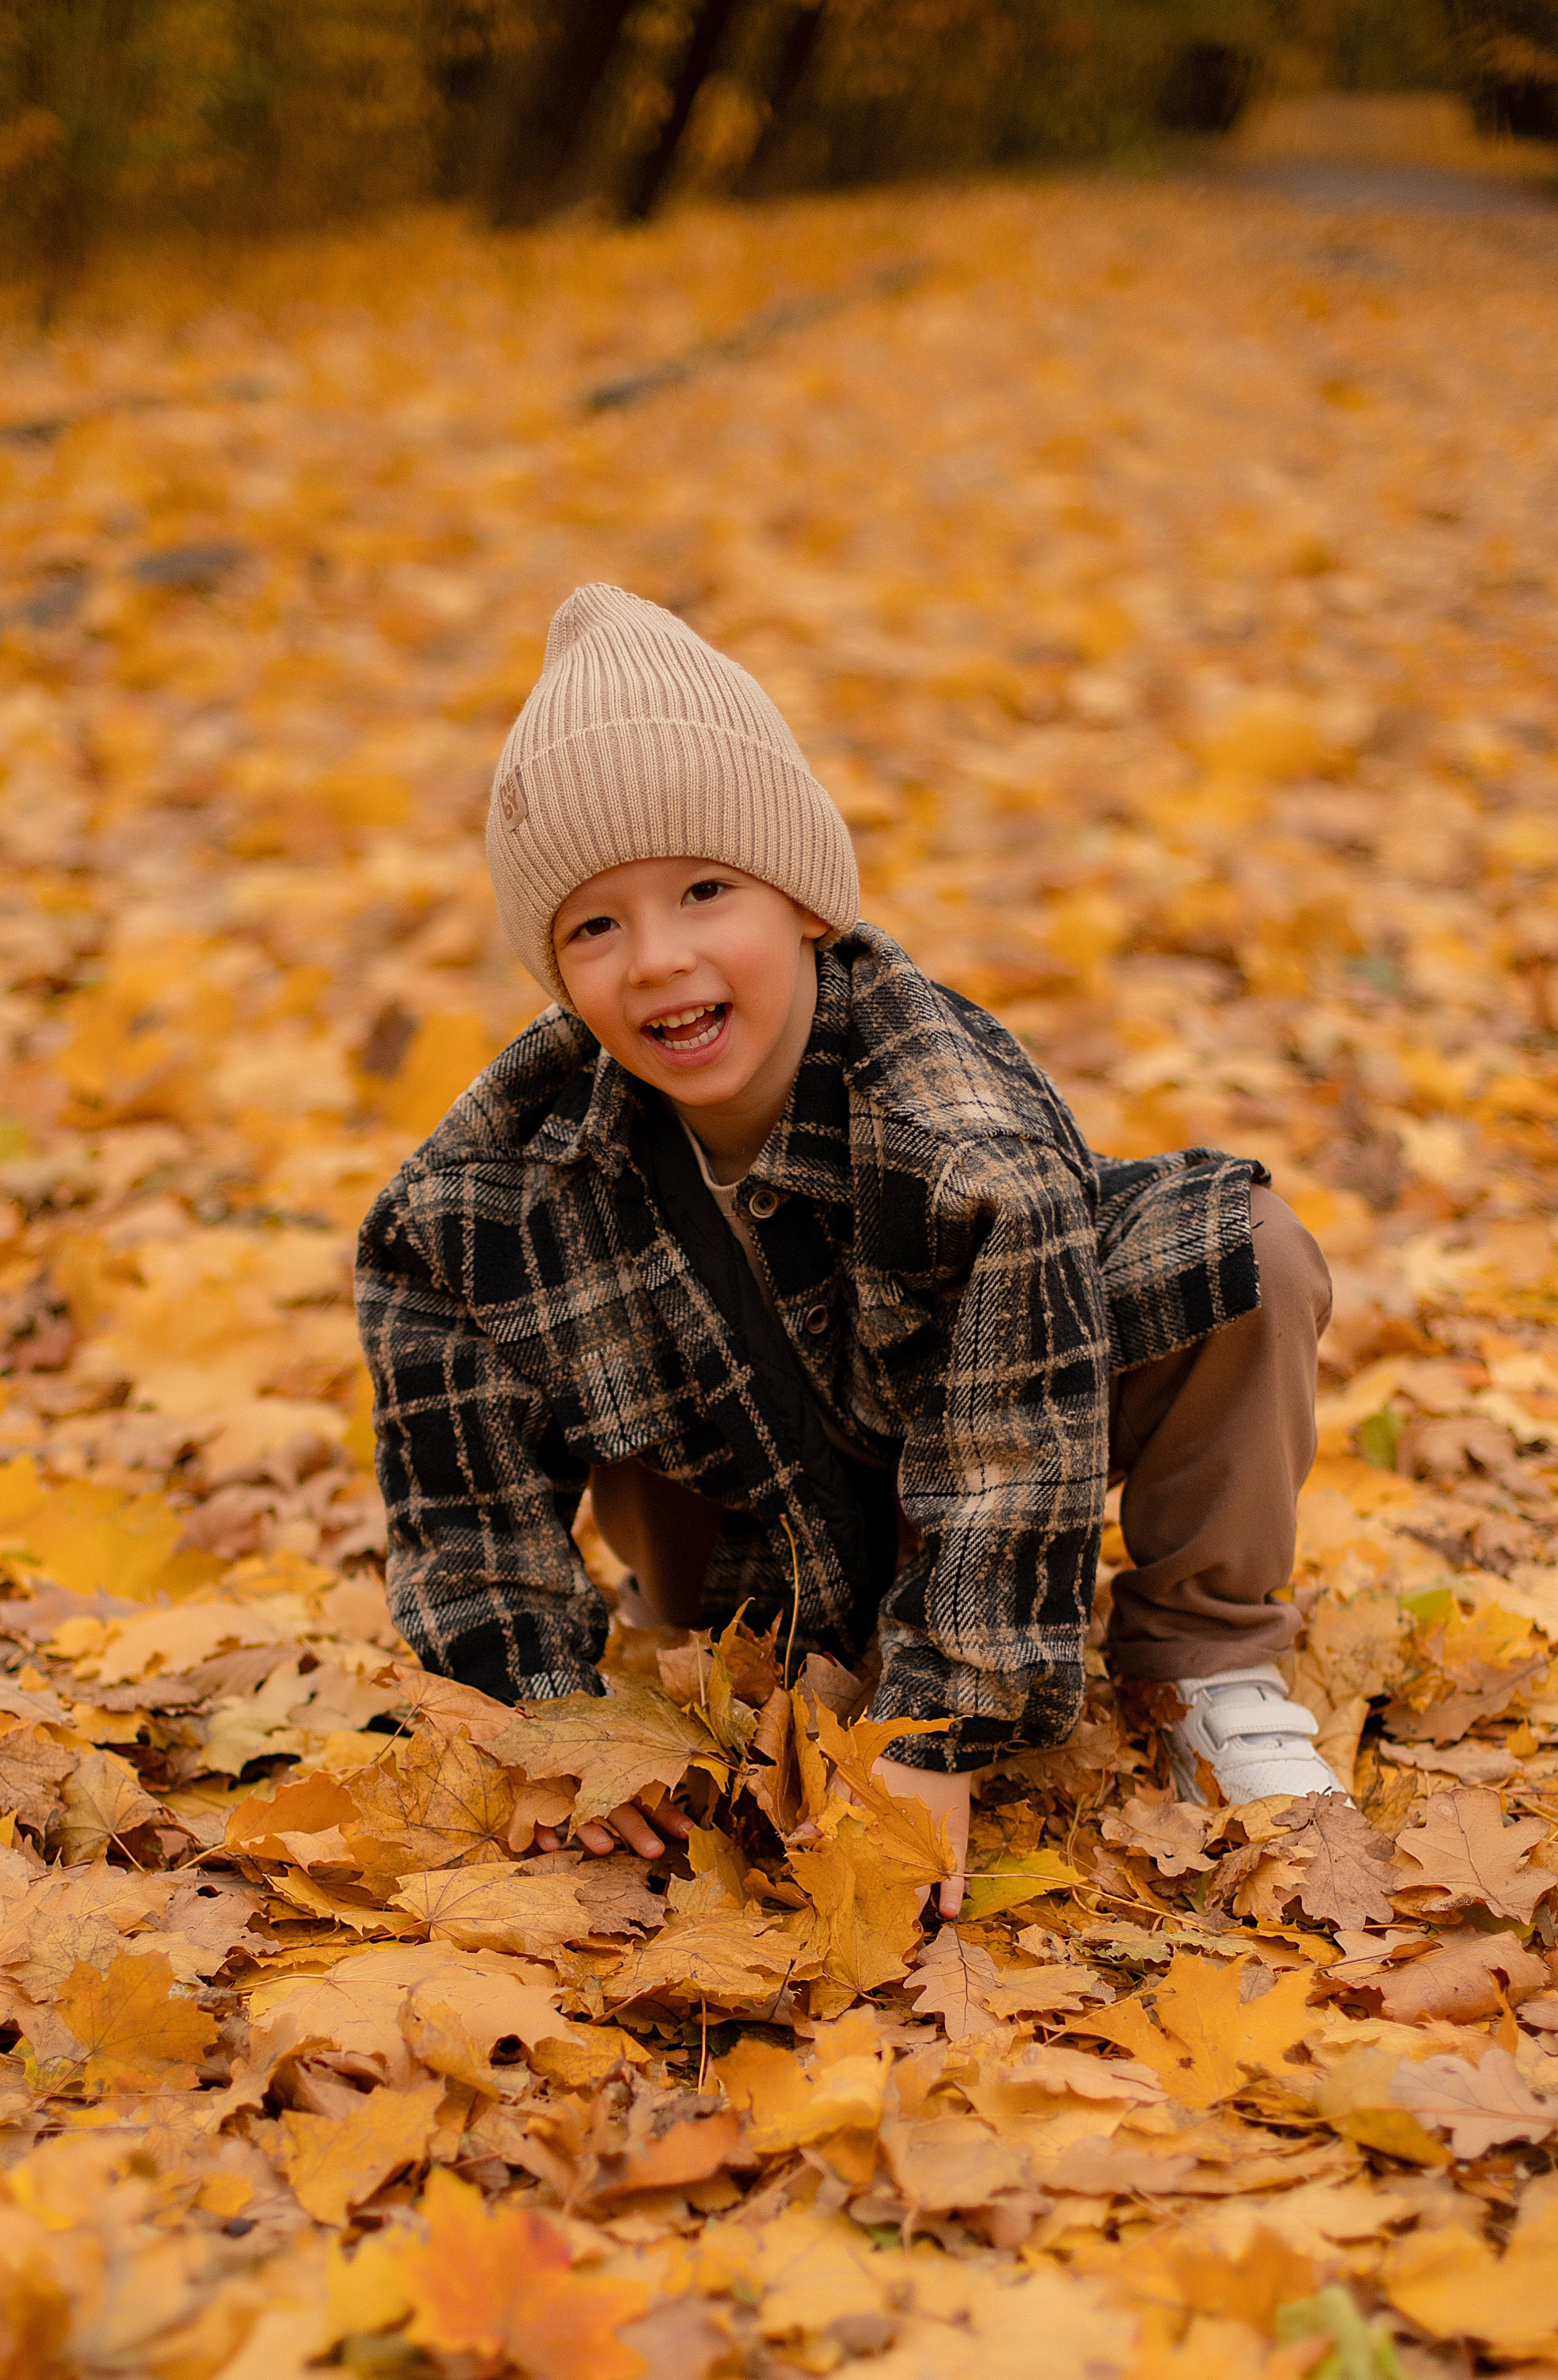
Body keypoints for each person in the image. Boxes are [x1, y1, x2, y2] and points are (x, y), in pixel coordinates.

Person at [356, 583, 1343, 1922]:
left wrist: (934, 1736)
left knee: (1250, 1249)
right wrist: (544, 1715)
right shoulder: (479, 1195)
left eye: (705, 890)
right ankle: (764, 1654)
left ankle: (1202, 1664)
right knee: (536, 1301)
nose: (657, 959)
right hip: (739, 1545)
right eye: (594, 926)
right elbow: (463, 1512)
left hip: (974, 1451)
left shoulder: (944, 1112)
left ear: (807, 902)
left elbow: (1005, 1440)